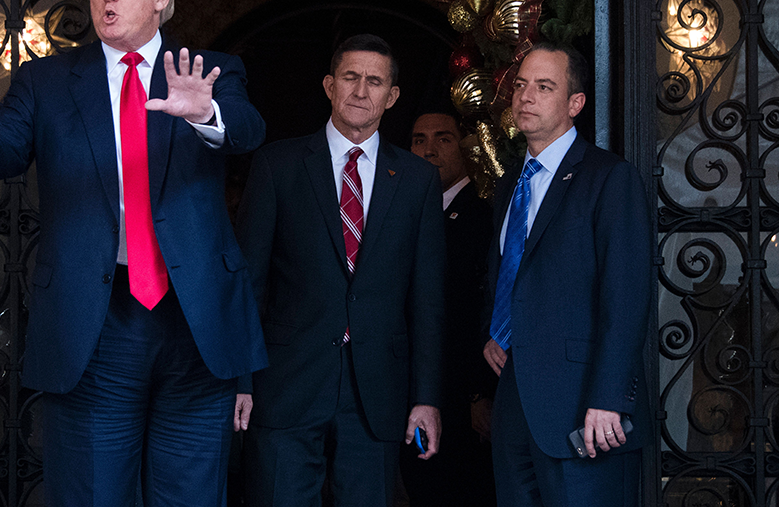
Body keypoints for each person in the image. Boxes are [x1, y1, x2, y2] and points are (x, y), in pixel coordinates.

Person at [0, 0, 267, 507]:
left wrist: (208, 113)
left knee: (192, 496)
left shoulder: (208, 71)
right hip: (93, 323)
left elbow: (249, 132)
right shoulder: (45, 81)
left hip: (196, 320)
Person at [234, 34, 445, 507]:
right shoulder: (278, 165)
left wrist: (426, 397)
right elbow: (249, 284)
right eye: (350, 77)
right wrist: (240, 380)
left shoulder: (417, 181)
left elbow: (427, 299)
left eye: (375, 81)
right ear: (329, 85)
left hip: (377, 394)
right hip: (286, 385)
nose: (361, 90)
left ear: (391, 97)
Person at [482, 43, 652, 506]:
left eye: (544, 86)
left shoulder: (609, 177)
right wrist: (493, 331)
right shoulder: (510, 181)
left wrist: (609, 398)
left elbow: (627, 297)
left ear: (575, 103)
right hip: (517, 403)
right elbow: (510, 271)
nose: (525, 96)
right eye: (520, 85)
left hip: (586, 409)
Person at [401, 110, 497, 506]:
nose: (429, 150)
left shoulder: (485, 215)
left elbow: (482, 307)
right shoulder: (400, 213)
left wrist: (480, 393)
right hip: (410, 390)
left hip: (465, 397)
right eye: (419, 140)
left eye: (443, 138)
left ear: (465, 146)